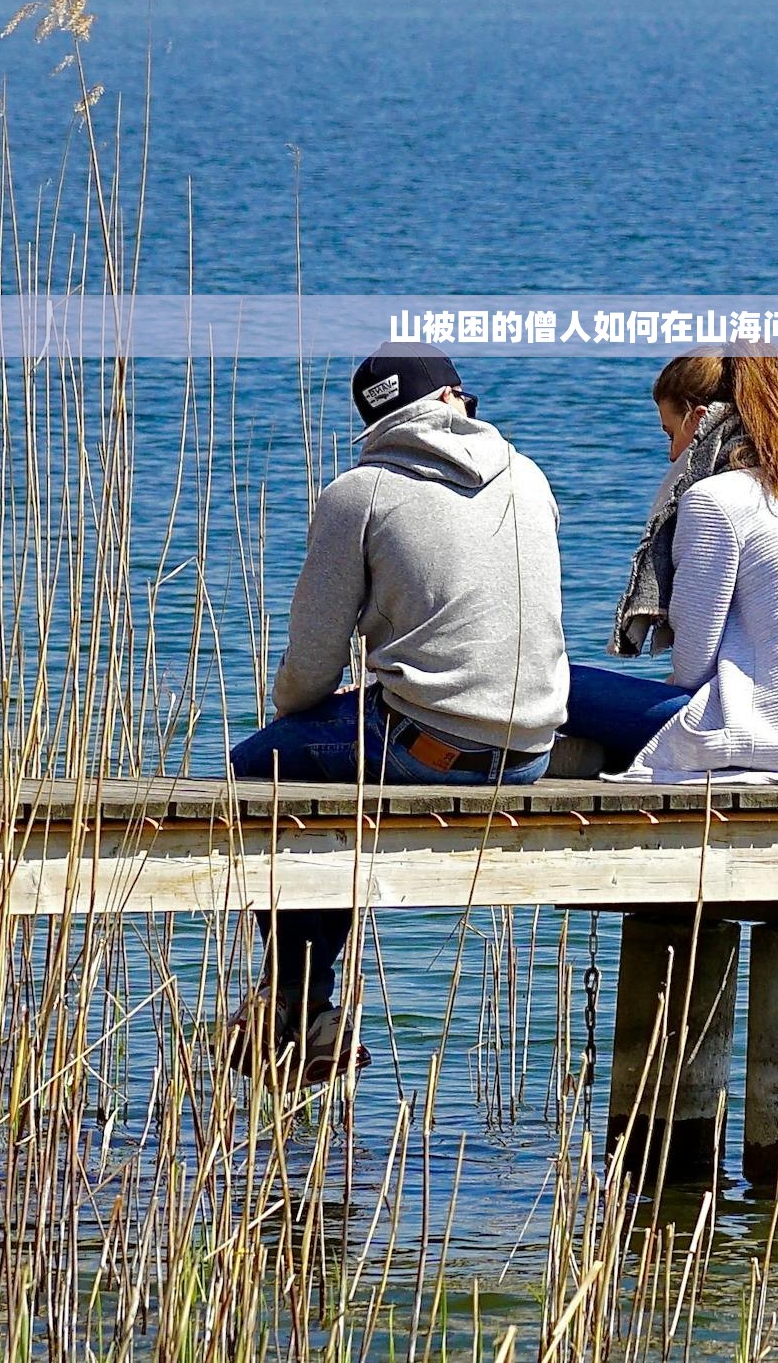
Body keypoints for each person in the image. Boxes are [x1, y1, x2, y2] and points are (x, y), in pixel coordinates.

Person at [227, 344, 568, 1079]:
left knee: (260, 764)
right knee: (334, 767)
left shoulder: (362, 491)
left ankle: (299, 1002)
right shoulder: (529, 476)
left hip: (430, 746)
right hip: (533, 749)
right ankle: (303, 1008)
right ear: (453, 400)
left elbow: (310, 669)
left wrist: (297, 713)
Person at [560, 349, 778, 783]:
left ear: (697, 420)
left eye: (669, 432)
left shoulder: (715, 500)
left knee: (558, 684)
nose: (670, 452)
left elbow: (694, 663)